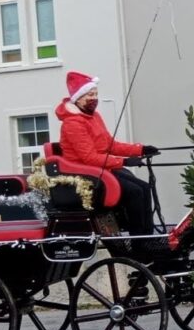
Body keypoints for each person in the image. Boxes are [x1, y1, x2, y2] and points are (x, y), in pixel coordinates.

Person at [55, 70, 159, 235]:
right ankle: (139, 239)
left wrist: (139, 149)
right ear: (78, 98)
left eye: (95, 94)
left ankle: (147, 235)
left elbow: (110, 145)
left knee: (144, 187)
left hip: (101, 169)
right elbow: (89, 158)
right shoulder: (72, 124)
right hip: (86, 173)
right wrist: (124, 162)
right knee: (135, 192)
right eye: (89, 94)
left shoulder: (94, 117)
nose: (94, 98)